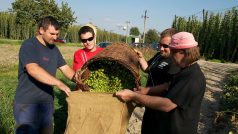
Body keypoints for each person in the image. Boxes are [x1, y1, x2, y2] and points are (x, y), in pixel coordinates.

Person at [116, 32, 206, 134]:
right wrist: (146, 90)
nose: (171, 56)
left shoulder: (192, 77)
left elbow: (167, 104)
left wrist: (133, 96)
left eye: (173, 52)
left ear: (182, 52)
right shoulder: (184, 69)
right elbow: (167, 85)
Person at [13, 16, 78, 134]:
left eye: (57, 34)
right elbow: (33, 69)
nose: (55, 37)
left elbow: (66, 68)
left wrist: (80, 80)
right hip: (28, 104)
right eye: (52, 33)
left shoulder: (54, 49)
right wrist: (59, 83)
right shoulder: (29, 45)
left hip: (46, 103)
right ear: (41, 30)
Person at [134, 28, 181, 134]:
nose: (161, 48)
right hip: (149, 104)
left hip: (161, 109)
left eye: (165, 46)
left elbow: (167, 86)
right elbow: (147, 69)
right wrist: (140, 58)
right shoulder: (158, 56)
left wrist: (145, 91)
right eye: (160, 44)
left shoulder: (175, 62)